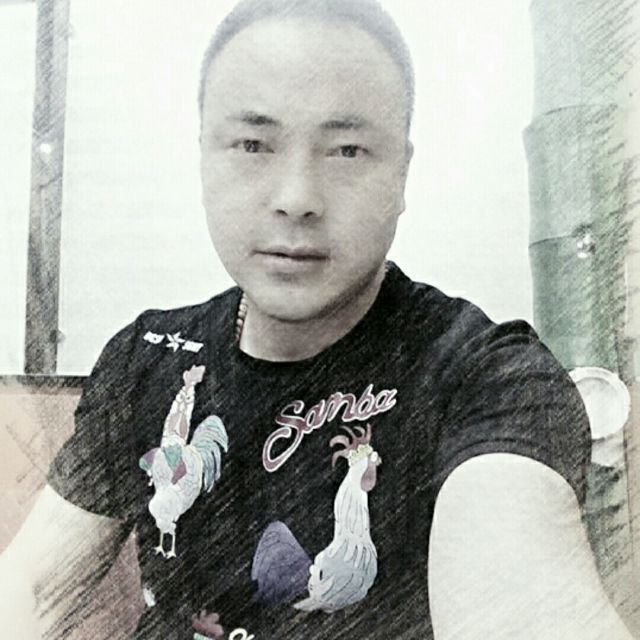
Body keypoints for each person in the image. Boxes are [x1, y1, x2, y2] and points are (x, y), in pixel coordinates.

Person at [0, 0, 635, 638]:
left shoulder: (485, 376)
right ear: (204, 158)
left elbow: (521, 598)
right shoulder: (149, 356)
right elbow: (37, 589)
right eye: (253, 144)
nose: (297, 197)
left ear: (402, 174)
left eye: (347, 150)